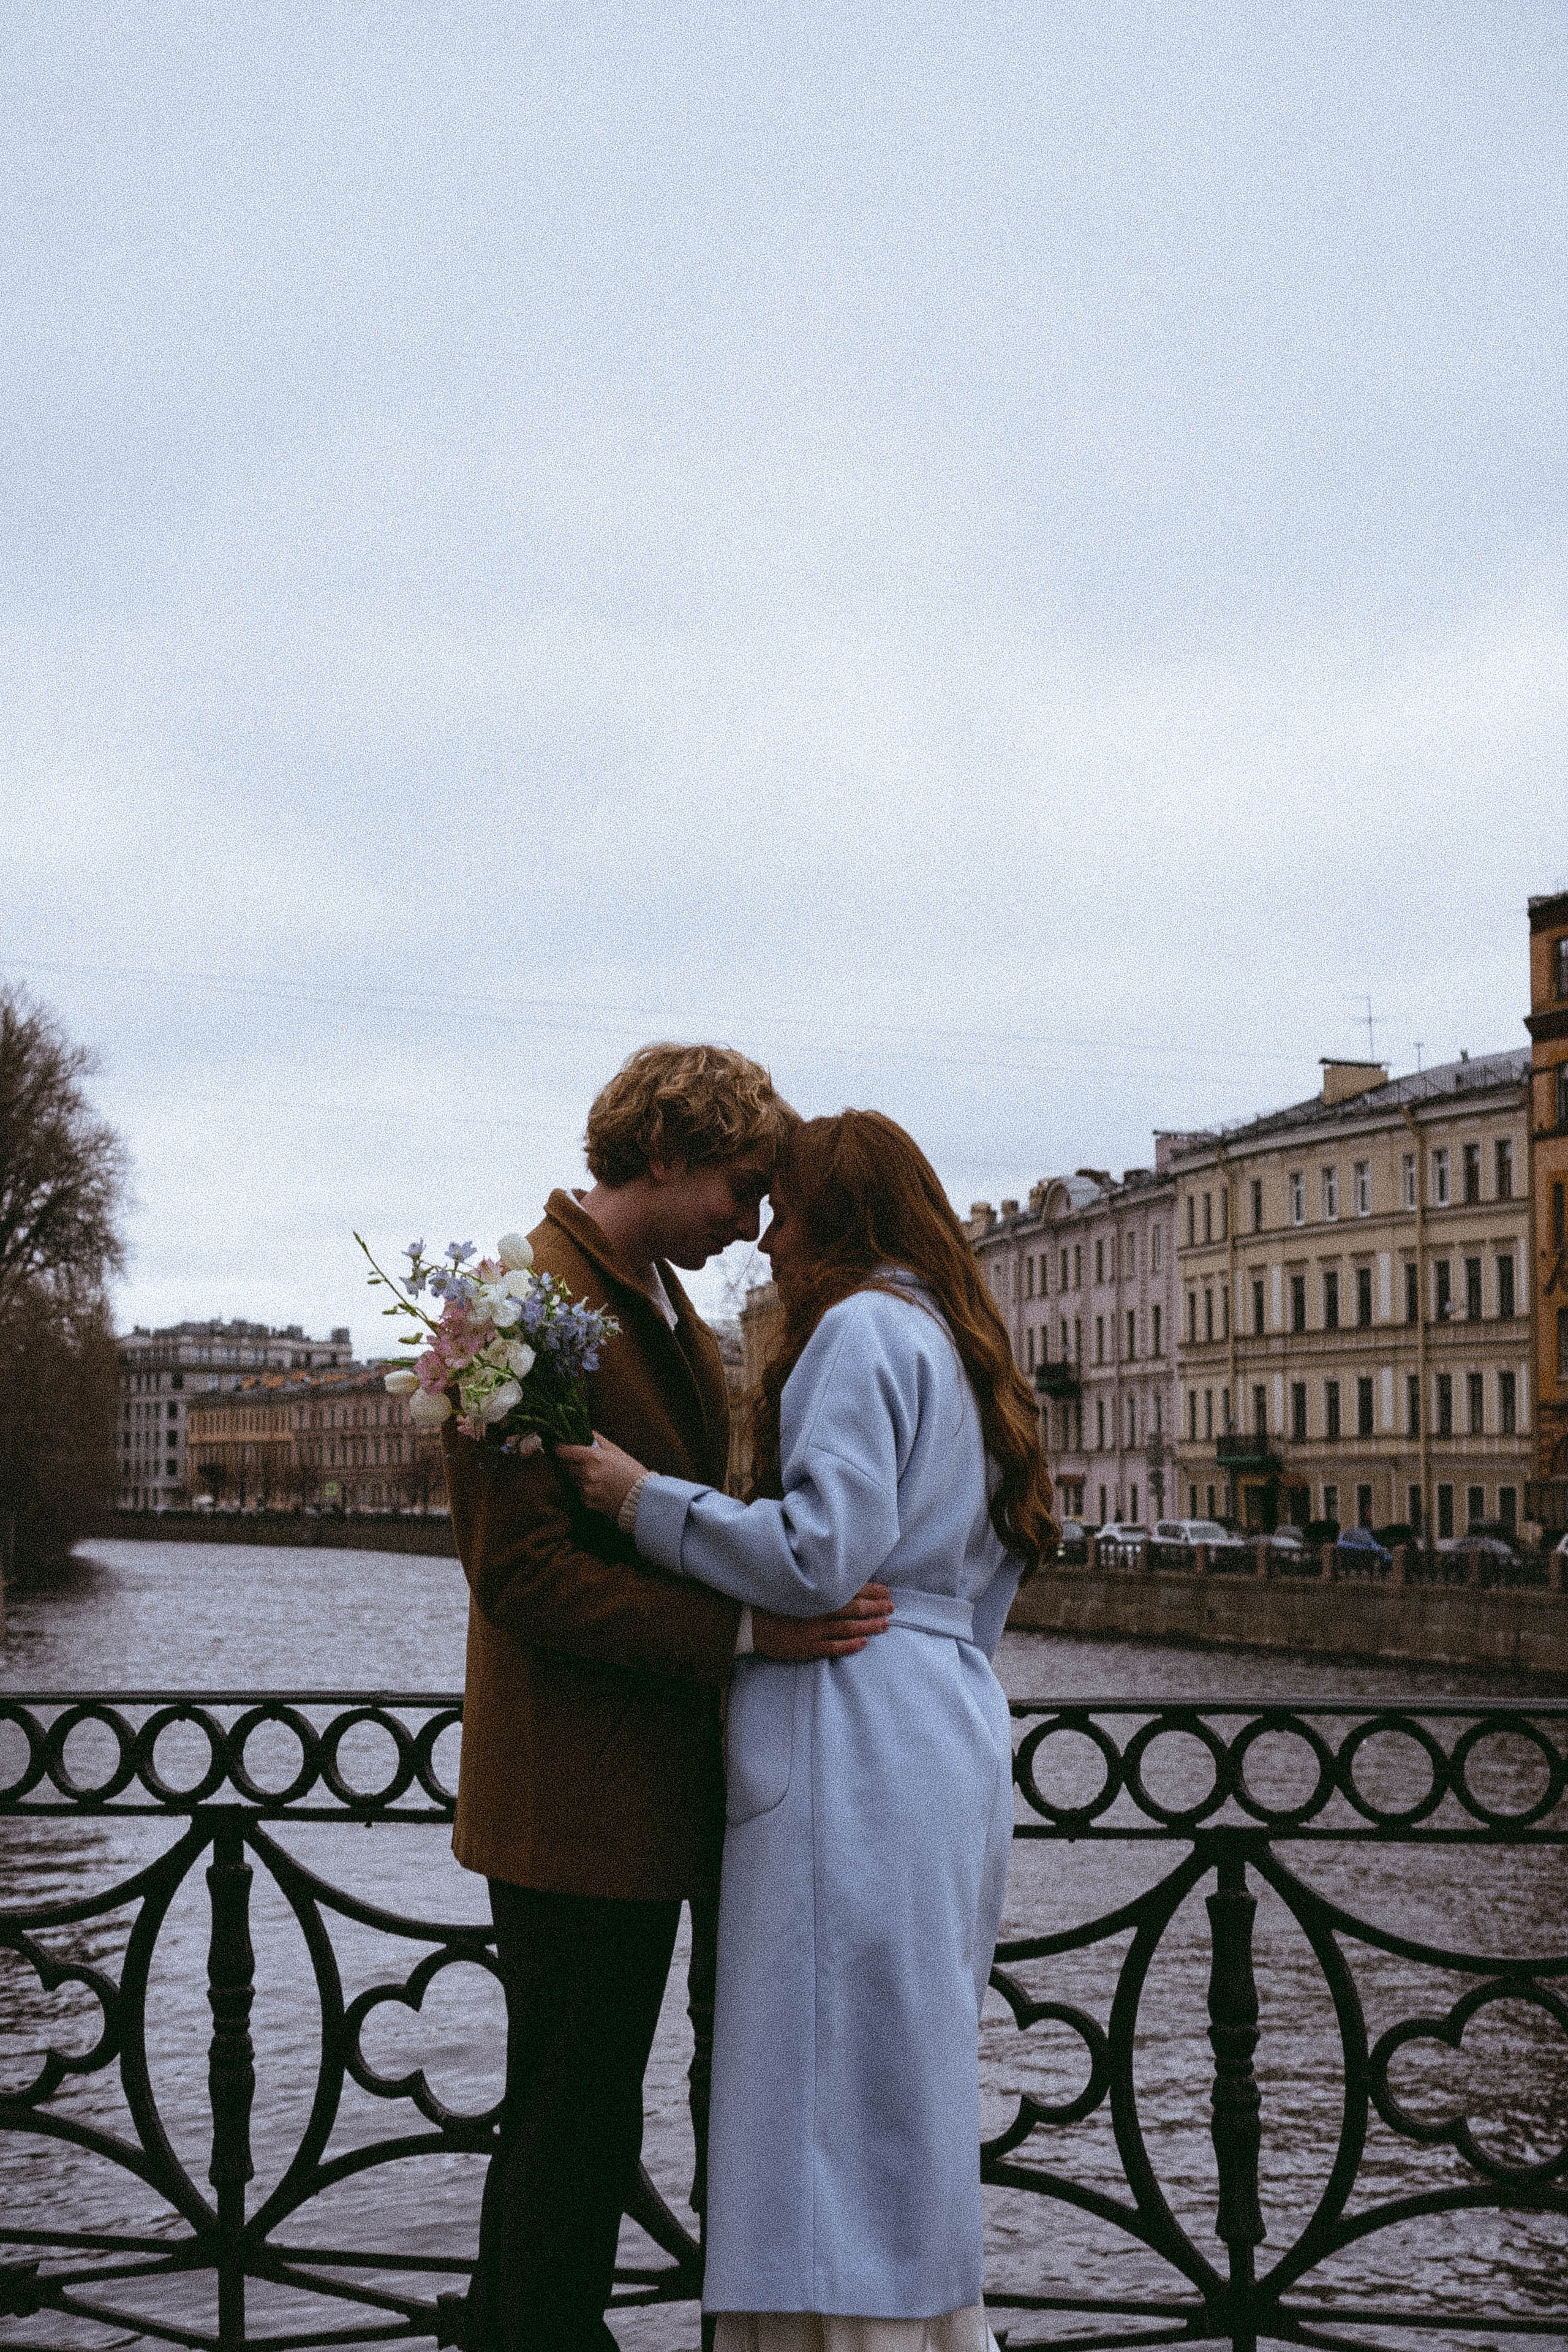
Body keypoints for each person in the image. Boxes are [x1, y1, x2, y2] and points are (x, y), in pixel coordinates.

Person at [559, 1109, 1055, 2352]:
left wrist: (641, 1502)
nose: (766, 1241)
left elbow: (820, 1557)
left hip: (847, 1726)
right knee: (907, 2070)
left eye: (782, 1213)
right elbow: (987, 1584)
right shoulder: (957, 1341)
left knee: (822, 2079)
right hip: (943, 1720)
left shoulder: (856, 1331)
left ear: (836, 1219)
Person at [443, 1046, 895, 2352]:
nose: (750, 1226)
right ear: (663, 1152)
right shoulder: (516, 1300)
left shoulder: (655, 1301)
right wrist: (749, 1631)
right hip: (571, 1803)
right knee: (570, 2124)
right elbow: (522, 1577)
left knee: (596, 2120)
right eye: (739, 1189)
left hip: (655, 1798)